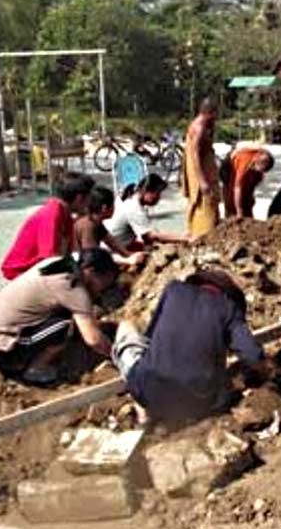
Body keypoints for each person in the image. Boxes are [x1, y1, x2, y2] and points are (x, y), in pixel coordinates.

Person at [111, 269, 265, 422]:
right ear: (228, 295)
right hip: (200, 405)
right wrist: (267, 373)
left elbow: (149, 338)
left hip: (147, 390)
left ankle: (143, 411)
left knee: (125, 327)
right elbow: (252, 355)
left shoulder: (174, 289)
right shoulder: (229, 308)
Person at [0, 249, 118, 385]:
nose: (102, 289)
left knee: (65, 315)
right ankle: (35, 370)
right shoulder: (71, 286)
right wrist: (117, 355)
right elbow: (93, 340)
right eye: (104, 282)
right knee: (62, 327)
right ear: (91, 271)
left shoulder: (58, 263)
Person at [1, 172, 95, 280]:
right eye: (89, 198)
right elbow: (49, 260)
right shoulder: (52, 214)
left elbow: (68, 252)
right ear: (79, 198)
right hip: (22, 272)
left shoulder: (65, 213)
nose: (90, 202)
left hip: (40, 268)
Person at [105, 173, 189, 251]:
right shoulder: (134, 208)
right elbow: (150, 237)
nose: (159, 198)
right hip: (112, 250)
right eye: (157, 193)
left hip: (116, 244)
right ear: (146, 191)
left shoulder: (130, 199)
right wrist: (183, 237)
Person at [74, 186, 147, 267]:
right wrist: (127, 261)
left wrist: (128, 254)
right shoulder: (88, 225)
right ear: (104, 208)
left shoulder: (96, 222)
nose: (114, 208)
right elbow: (92, 256)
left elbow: (111, 241)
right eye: (113, 205)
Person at [183, 98, 221, 238]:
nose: (217, 117)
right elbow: (194, 155)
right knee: (204, 206)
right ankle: (202, 235)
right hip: (202, 176)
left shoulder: (205, 125)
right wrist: (202, 181)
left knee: (210, 206)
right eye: (216, 114)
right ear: (210, 113)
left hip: (207, 171)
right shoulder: (199, 128)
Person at [222, 145, 275, 219]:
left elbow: (252, 186)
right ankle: (232, 216)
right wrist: (239, 210)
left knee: (248, 203)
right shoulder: (244, 162)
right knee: (231, 202)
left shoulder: (258, 173)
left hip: (248, 172)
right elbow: (237, 188)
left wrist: (249, 198)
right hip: (229, 171)